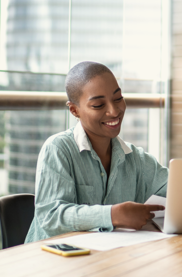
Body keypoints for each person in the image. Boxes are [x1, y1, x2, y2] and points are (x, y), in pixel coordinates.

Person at [25, 61, 166, 243]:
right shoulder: (58, 149)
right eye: (99, 105)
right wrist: (113, 215)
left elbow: (178, 189)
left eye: (118, 99)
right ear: (74, 110)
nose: (114, 111)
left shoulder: (135, 158)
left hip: (103, 259)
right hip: (52, 259)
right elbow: (51, 216)